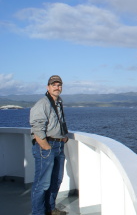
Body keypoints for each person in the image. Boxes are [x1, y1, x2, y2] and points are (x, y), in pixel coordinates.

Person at [30, 75, 69, 215]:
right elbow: (37, 127)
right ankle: (38, 212)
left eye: (59, 85)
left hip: (58, 145)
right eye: (54, 85)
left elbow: (57, 122)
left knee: (56, 180)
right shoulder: (43, 103)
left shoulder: (58, 102)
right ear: (48, 87)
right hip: (46, 147)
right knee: (42, 184)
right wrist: (46, 146)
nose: (57, 87)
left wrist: (63, 137)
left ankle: (50, 209)